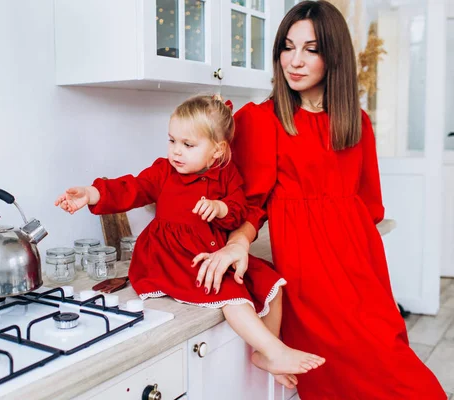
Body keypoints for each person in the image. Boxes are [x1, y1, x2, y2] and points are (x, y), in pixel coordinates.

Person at [191, 2, 447, 399]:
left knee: (398, 367)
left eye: (311, 49)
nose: (294, 61)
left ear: (334, 56)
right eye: (287, 47)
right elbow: (251, 204)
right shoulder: (262, 119)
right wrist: (238, 242)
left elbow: (370, 206)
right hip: (311, 277)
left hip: (363, 270)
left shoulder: (356, 121)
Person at [55, 94, 325, 386]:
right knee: (231, 295)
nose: (176, 152)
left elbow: (239, 213)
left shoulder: (227, 175)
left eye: (188, 144)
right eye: (172, 141)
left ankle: (267, 351)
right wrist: (91, 193)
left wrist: (221, 208)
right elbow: (131, 188)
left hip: (210, 252)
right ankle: (275, 351)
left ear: (217, 151)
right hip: (171, 257)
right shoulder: (164, 172)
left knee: (272, 283)